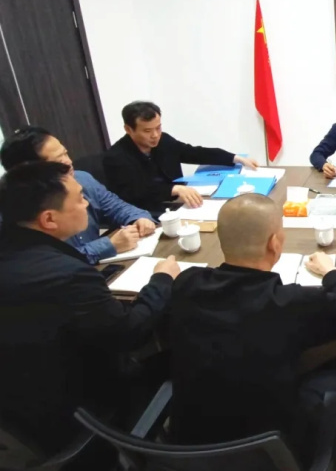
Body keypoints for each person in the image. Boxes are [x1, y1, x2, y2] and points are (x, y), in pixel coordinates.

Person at [168, 193, 336, 461]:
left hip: (187, 449)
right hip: (271, 452)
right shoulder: (291, 303)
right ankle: (332, 435)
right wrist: (330, 272)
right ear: (274, 243)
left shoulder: (186, 284)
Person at [0, 161, 179, 463]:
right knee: (178, 352)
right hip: (78, 409)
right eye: (80, 198)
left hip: (16, 406)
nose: (87, 204)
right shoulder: (67, 274)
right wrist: (162, 279)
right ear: (49, 218)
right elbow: (129, 334)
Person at [0, 126, 156, 264]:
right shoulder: (19, 211)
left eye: (65, 153)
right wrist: (108, 245)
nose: (68, 162)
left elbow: (118, 207)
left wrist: (139, 219)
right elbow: (50, 263)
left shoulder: (82, 179)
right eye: (58, 160)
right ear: (30, 172)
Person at [103, 101, 258, 214]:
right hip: (146, 213)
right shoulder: (116, 157)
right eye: (147, 131)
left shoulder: (163, 140)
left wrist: (234, 158)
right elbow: (134, 191)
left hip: (180, 203)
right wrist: (173, 189)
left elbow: (194, 152)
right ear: (128, 129)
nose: (155, 135)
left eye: (158, 128)